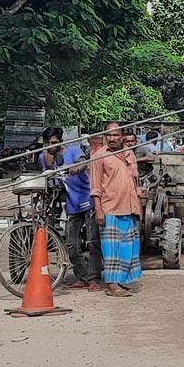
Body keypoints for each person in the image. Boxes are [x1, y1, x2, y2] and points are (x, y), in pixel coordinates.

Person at [91, 125, 143, 297]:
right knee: (111, 249)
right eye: (109, 135)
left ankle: (122, 280)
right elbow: (95, 186)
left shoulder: (129, 153)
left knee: (128, 247)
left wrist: (139, 193)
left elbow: (134, 179)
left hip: (129, 207)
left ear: (122, 136)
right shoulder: (99, 156)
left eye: (115, 135)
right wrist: (98, 210)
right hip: (110, 207)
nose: (112, 138)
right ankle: (112, 285)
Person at [53, 128, 99, 290]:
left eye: (52, 143)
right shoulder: (53, 161)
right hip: (72, 205)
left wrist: (75, 168)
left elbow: (82, 163)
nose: (49, 146)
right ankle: (82, 276)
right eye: (46, 144)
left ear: (60, 141)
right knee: (71, 243)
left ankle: (93, 278)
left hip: (88, 201)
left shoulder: (73, 150)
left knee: (92, 241)